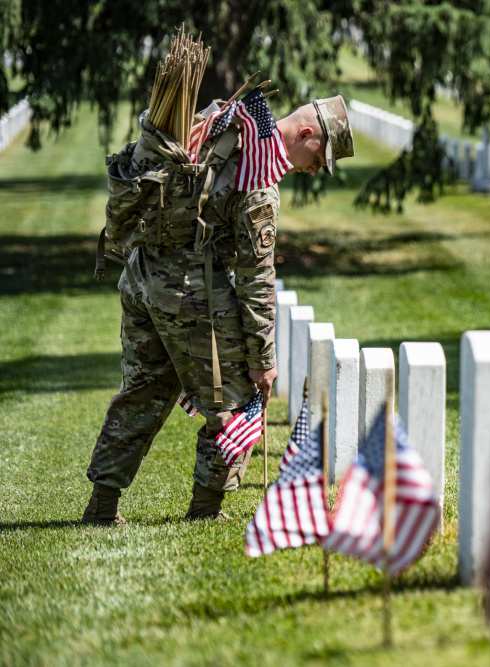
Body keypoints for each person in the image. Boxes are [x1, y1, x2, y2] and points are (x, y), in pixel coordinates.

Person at [81, 94, 354, 525]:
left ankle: (101, 506)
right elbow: (255, 277)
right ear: (305, 134)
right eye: (319, 158)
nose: (315, 170)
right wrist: (263, 361)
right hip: (188, 289)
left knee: (144, 391)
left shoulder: (218, 123)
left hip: (141, 273)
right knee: (240, 397)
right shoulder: (259, 176)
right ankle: (206, 511)